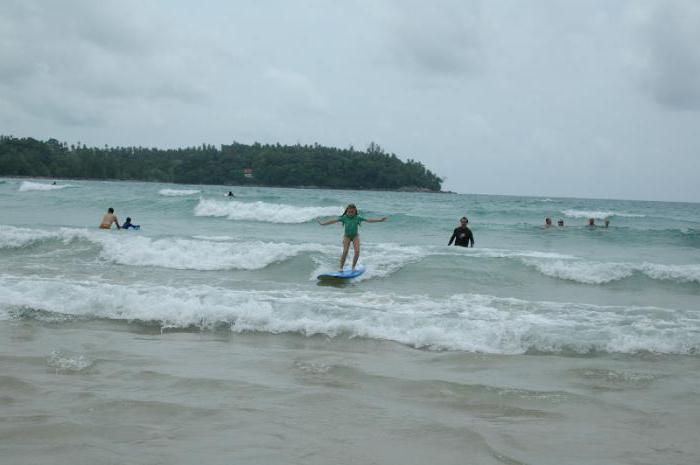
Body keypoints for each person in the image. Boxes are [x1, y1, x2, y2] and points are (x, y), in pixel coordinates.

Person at [318, 204, 387, 271]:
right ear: (347, 211)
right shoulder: (344, 217)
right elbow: (333, 221)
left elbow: (368, 220)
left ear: (355, 211)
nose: (351, 213)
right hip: (347, 236)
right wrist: (323, 224)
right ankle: (341, 268)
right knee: (345, 252)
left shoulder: (358, 218)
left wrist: (379, 220)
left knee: (357, 251)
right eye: (349, 212)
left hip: (355, 236)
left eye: (352, 212)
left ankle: (353, 267)